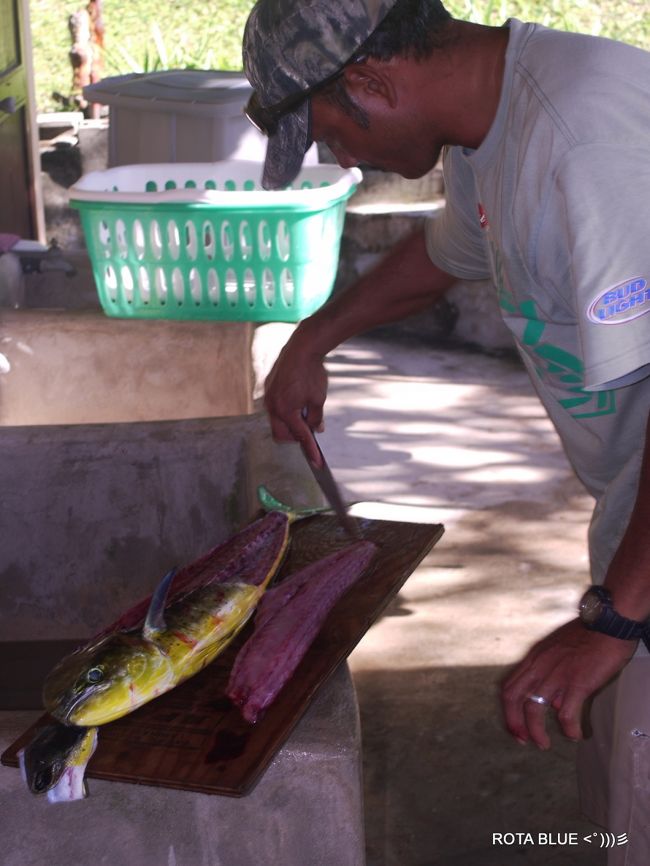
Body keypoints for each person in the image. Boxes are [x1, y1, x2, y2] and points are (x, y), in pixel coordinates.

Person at [241, 0, 650, 858]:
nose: (342, 159)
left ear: (371, 80)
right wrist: (313, 339)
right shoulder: (491, 128)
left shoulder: (591, 144)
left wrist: (617, 616)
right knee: (620, 800)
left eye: (332, 137)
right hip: (633, 515)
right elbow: (445, 253)